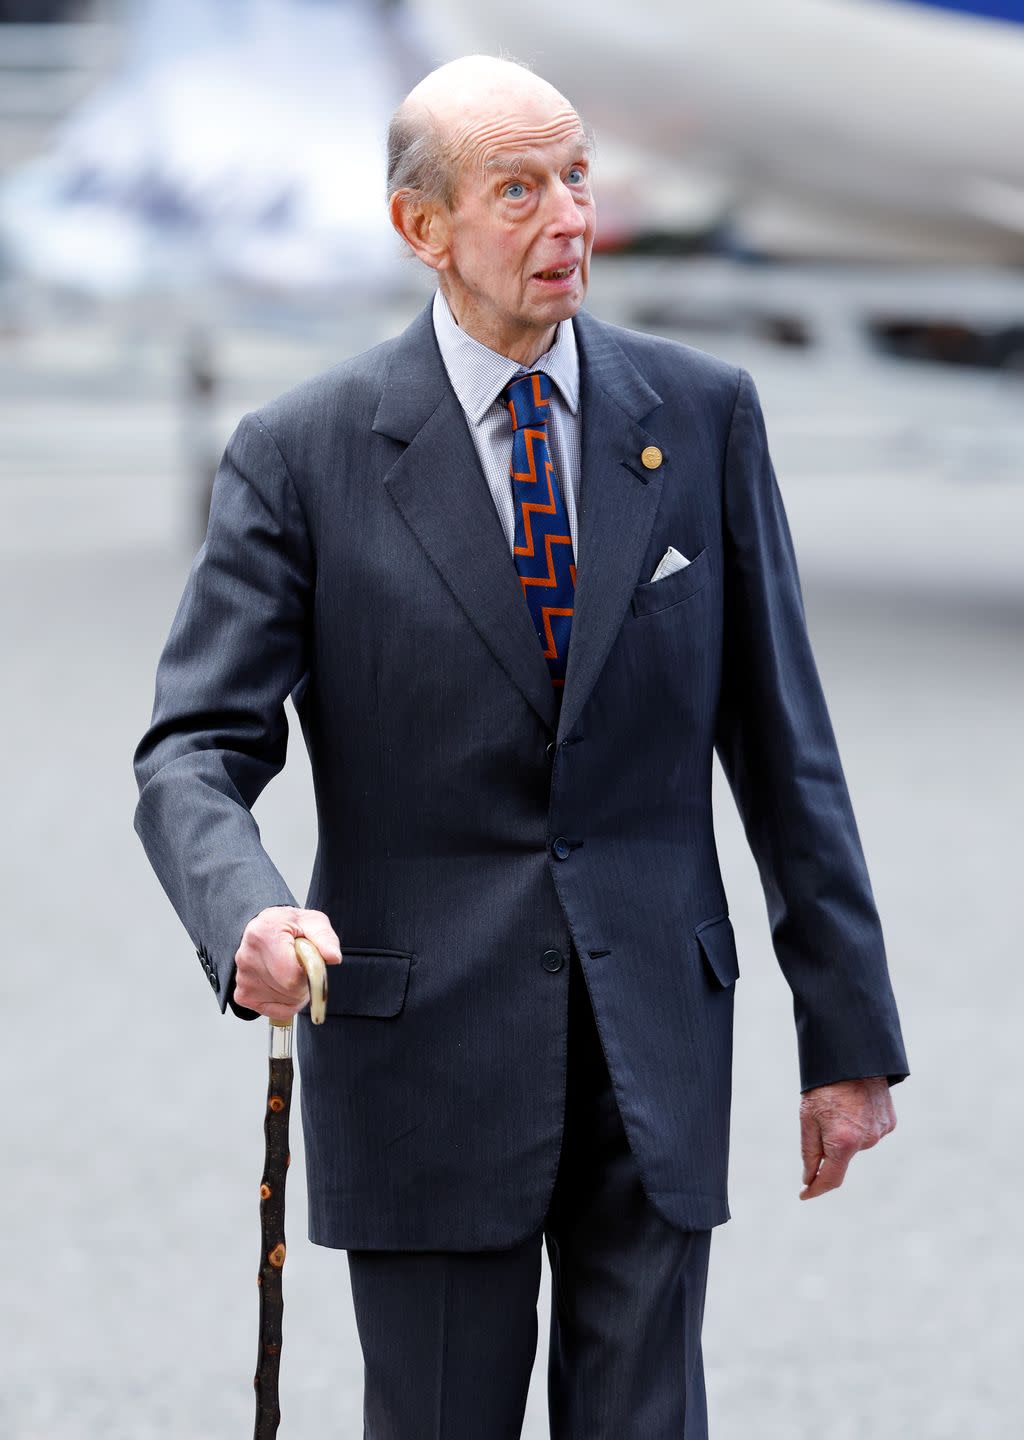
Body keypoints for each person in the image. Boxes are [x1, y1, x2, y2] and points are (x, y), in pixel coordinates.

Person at [133, 54, 910, 1440]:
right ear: (420, 229)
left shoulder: (704, 415)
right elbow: (193, 748)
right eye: (518, 189)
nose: (568, 218)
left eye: (577, 178)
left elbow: (788, 750)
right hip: (422, 1055)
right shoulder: (300, 456)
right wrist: (244, 916)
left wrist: (846, 1040)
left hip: (655, 1045)